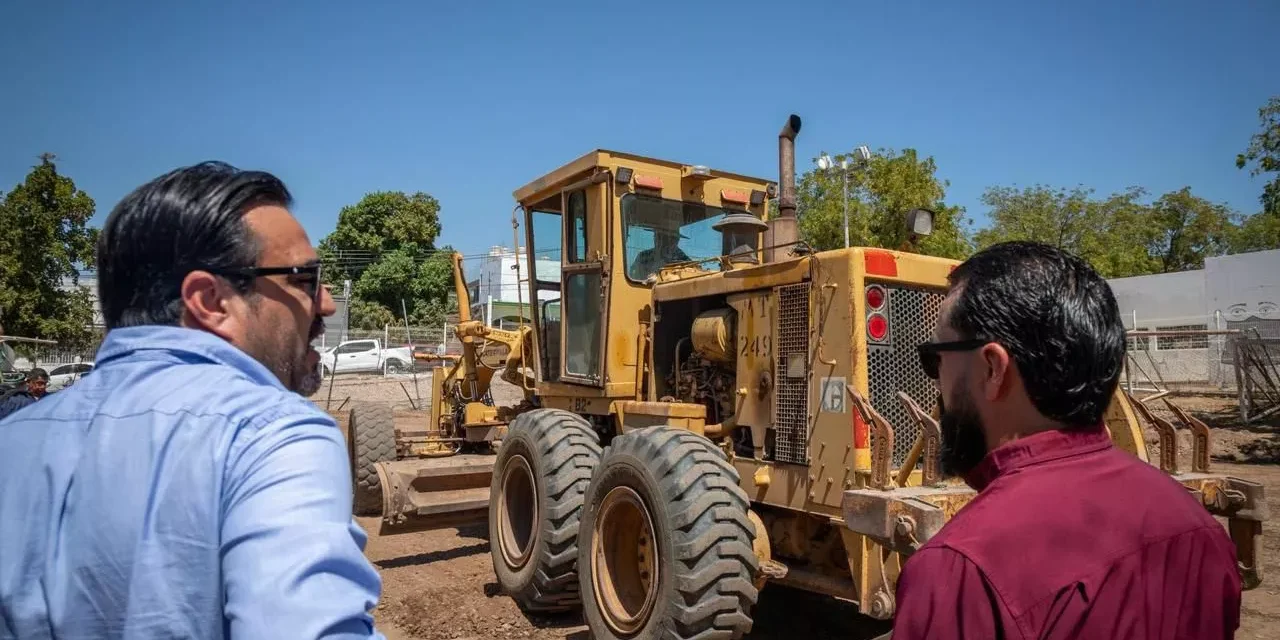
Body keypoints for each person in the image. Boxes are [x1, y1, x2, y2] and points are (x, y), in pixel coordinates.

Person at [0, 162, 385, 638]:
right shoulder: (271, 435)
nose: (325, 302)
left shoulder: (12, 438)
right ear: (211, 300)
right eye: (305, 278)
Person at [891, 241, 1241, 639]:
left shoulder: (960, 573)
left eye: (934, 358)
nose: (935, 379)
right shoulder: (1200, 531)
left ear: (992, 368)